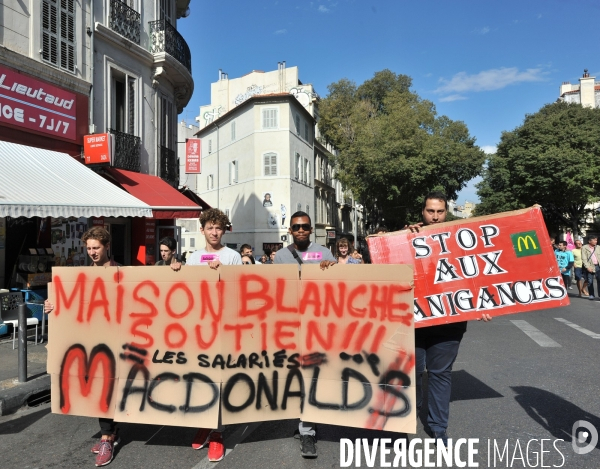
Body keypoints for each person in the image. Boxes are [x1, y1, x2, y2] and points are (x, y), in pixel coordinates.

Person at [407, 191, 491, 447]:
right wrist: (396, 237)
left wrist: (484, 303)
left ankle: (438, 427)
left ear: (446, 212)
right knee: (411, 372)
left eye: (439, 211)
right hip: (414, 322)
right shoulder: (407, 237)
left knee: (440, 374)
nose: (434, 216)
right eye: (430, 211)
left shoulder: (463, 239)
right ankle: (407, 417)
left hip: (449, 324)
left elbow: (476, 273)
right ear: (422, 211)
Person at [44, 227, 122, 467]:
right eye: (89, 248)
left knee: (107, 384)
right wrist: (52, 305)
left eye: (96, 248)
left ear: (107, 246)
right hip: (91, 340)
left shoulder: (120, 272)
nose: (92, 253)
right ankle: (110, 432)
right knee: (98, 385)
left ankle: (107, 437)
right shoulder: (84, 274)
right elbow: (75, 304)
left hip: (114, 339)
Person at [274, 211, 337, 458]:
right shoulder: (280, 256)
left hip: (318, 326)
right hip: (290, 327)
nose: (301, 230)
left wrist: (331, 268)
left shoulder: (324, 253)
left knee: (312, 377)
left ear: (311, 229)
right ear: (290, 230)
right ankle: (305, 423)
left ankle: (307, 431)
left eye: (305, 227)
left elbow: (336, 286)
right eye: (296, 227)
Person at [185, 208, 241, 462]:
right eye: (210, 228)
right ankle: (206, 423)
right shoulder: (194, 258)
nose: (214, 232)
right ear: (202, 230)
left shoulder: (233, 256)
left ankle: (218, 433)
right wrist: (175, 269)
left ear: (224, 230)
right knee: (201, 380)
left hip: (225, 328)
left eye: (218, 228)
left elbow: (242, 292)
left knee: (220, 380)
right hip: (200, 328)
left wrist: (224, 274)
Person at [581, 235, 600, 300]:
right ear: (589, 241)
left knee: (599, 280)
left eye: (596, 240)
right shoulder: (584, 247)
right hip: (590, 266)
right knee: (590, 281)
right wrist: (587, 267)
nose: (596, 241)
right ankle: (591, 295)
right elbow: (584, 258)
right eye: (594, 240)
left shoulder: (598, 247)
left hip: (598, 266)